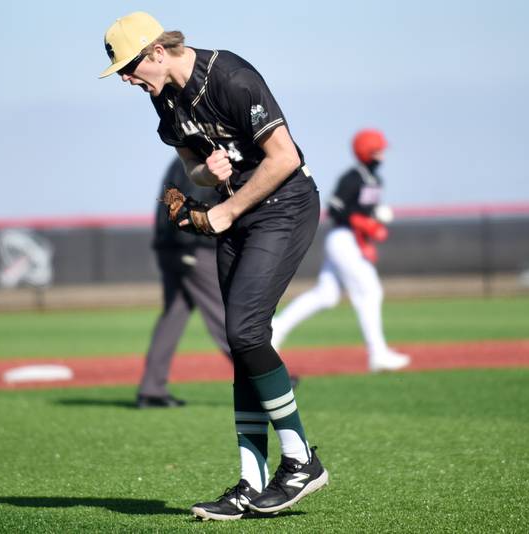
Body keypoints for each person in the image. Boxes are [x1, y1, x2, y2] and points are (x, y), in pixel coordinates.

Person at [100, 12, 328, 520]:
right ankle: (251, 482)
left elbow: (284, 157)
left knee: (245, 333)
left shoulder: (230, 77)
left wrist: (223, 210)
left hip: (284, 208)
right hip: (237, 216)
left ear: (157, 51)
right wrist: (207, 172)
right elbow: (192, 168)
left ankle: (300, 461)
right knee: (242, 340)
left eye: (129, 65)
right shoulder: (163, 98)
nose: (125, 77)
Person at [271, 129, 411, 372]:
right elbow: (336, 209)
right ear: (366, 150)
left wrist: (373, 222)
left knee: (326, 295)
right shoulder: (352, 177)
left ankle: (277, 327)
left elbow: (367, 210)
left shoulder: (375, 180)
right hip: (343, 239)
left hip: (354, 241)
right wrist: (361, 222)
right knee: (370, 291)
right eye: (378, 150)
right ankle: (377, 353)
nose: (383, 155)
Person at [137, 158, 231, 408]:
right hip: (190, 246)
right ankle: (264, 377)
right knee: (221, 315)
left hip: (173, 246)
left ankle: (151, 389)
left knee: (173, 315)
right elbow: (187, 204)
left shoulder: (187, 157)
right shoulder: (203, 158)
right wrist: (186, 246)